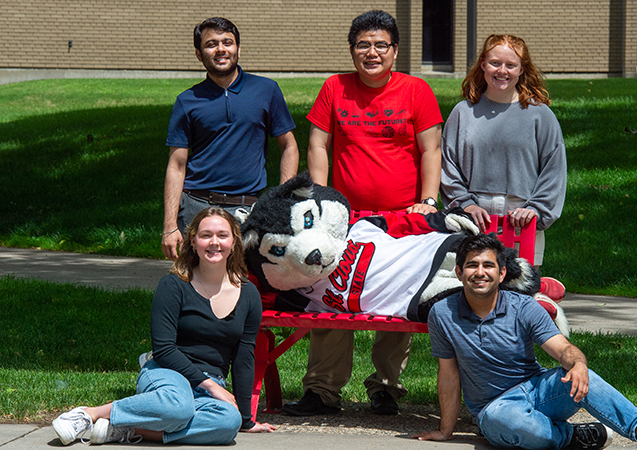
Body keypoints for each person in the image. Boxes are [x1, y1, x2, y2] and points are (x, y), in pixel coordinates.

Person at [285, 10, 443, 417]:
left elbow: (431, 150)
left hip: (401, 220)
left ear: (394, 50)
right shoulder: (335, 87)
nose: (371, 53)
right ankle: (322, 390)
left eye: (380, 45)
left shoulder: (416, 90)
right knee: (331, 294)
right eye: (362, 45)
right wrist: (320, 198)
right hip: (345, 220)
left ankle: (386, 388)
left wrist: (428, 199)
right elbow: (319, 144)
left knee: (396, 294)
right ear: (352, 49)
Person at [414, 234, 637, 450]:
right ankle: (572, 436)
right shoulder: (442, 313)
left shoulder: (524, 307)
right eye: (472, 265)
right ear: (459, 273)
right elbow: (448, 374)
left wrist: (579, 364)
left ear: (502, 273)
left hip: (537, 390)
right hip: (494, 408)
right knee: (509, 422)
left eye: (488, 265)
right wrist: (445, 431)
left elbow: (563, 348)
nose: (480, 272)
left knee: (580, 374)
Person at [52, 208, 273, 446]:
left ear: (234, 242)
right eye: (206, 235)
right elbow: (164, 348)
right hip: (168, 373)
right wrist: (209, 385)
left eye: (222, 235)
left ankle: (128, 430)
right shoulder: (173, 285)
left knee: (228, 423)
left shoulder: (248, 294)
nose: (214, 242)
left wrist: (246, 421)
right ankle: (90, 414)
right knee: (178, 407)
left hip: (209, 387)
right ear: (193, 241)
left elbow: (243, 357)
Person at [161, 17, 299, 261]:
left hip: (247, 209)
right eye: (211, 44)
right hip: (196, 206)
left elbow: (289, 146)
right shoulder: (187, 100)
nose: (221, 49)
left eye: (228, 42)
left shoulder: (266, 90)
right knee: (193, 284)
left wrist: (280, 200)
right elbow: (177, 164)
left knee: (244, 284)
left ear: (238, 49)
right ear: (198, 53)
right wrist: (170, 225)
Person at [440, 34, 567, 271]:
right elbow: (448, 166)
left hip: (522, 220)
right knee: (473, 288)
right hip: (474, 219)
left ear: (522, 70)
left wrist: (536, 209)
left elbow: (554, 170)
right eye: (495, 63)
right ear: (483, 65)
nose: (502, 71)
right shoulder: (463, 113)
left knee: (522, 292)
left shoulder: (540, 116)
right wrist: (465, 205)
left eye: (511, 65)